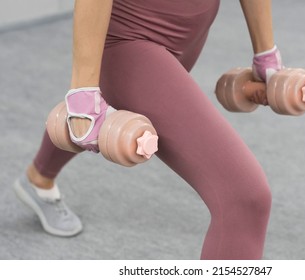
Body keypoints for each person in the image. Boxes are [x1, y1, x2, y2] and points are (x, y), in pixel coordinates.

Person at [14, 0, 283, 259]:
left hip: (190, 33)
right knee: (244, 198)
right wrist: (84, 92)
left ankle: (39, 177)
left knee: (99, 115)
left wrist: (265, 52)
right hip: (130, 37)